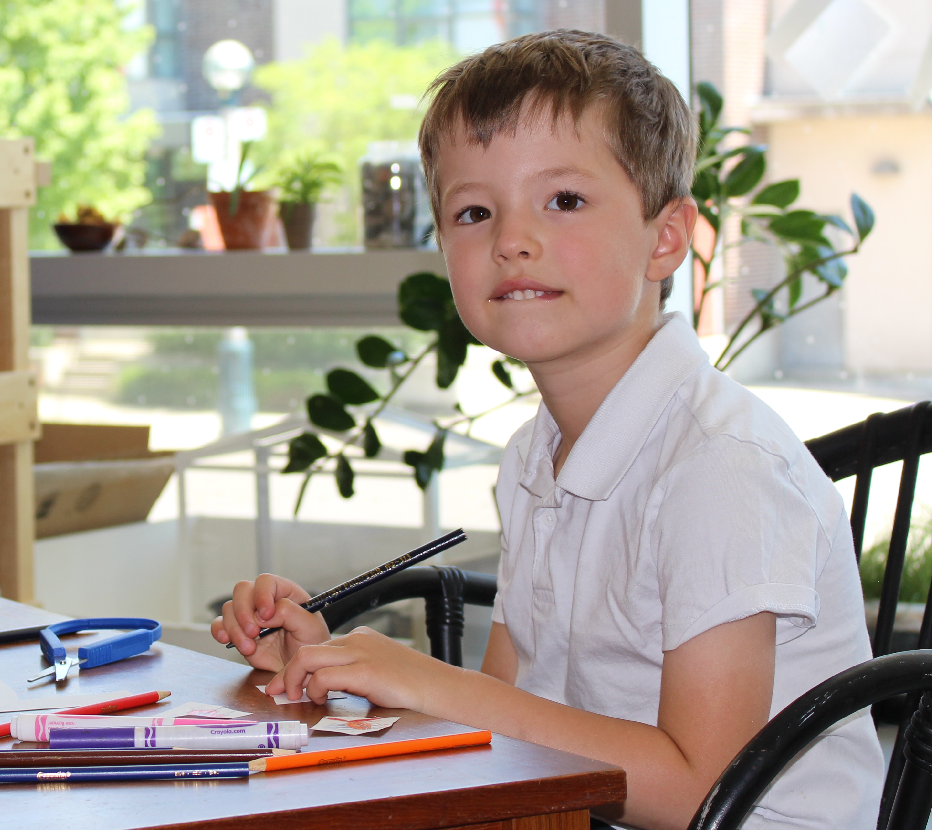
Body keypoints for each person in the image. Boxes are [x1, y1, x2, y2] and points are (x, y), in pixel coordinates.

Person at [209, 31, 884, 829]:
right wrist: (335, 666)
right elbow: (513, 717)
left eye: (563, 200)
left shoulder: (719, 470)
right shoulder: (536, 455)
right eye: (473, 211)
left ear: (666, 237)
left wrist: (433, 682)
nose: (511, 239)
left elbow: (706, 789)